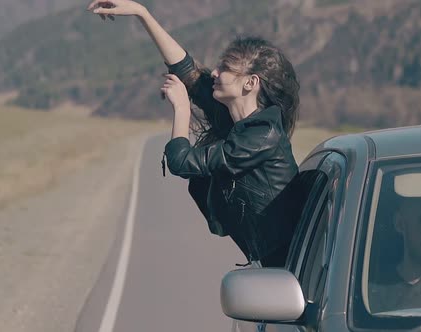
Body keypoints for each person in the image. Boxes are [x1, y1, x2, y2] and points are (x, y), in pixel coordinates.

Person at [87, 0, 301, 268]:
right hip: (269, 265)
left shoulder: (262, 135)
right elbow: (188, 72)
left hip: (288, 269)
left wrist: (181, 108)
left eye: (224, 68)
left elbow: (182, 162)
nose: (215, 72)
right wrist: (142, 14)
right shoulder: (238, 123)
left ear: (250, 82)